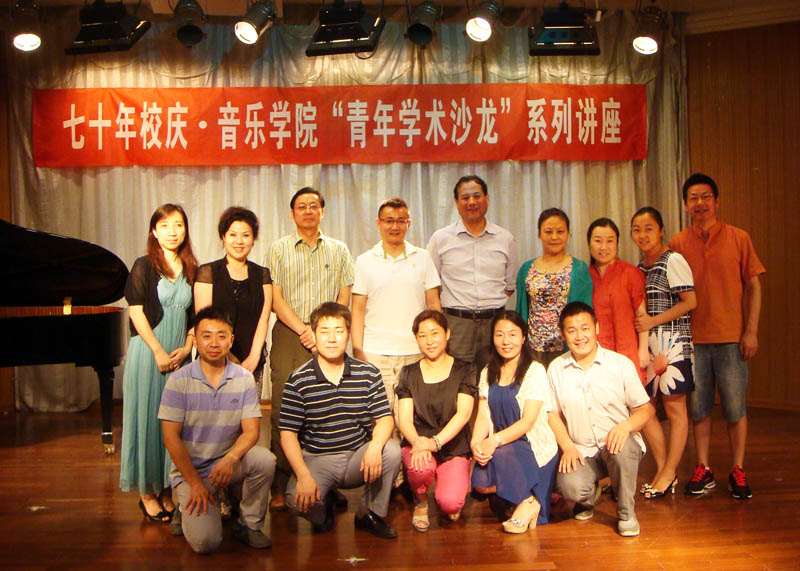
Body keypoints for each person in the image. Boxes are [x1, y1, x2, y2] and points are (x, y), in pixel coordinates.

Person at [669, 173, 765, 499]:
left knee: (735, 408)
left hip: (731, 339)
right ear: (686, 205)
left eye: (706, 197)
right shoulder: (677, 244)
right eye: (693, 198)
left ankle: (738, 469)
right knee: (699, 409)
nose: (700, 203)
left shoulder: (739, 238)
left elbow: (754, 286)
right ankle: (704, 467)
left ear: (717, 202)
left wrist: (751, 330)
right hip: (692, 341)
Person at [279, 302, 401, 539]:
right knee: (296, 500)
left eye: (339, 331)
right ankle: (323, 510)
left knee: (391, 451)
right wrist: (304, 476)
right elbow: (288, 434)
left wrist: (375, 447)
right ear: (314, 334)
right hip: (318, 459)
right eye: (324, 332)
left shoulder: (368, 373)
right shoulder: (298, 380)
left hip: (358, 457)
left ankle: (368, 514)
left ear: (348, 334)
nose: (332, 339)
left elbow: (385, 419)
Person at [159, 307, 276, 554]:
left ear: (231, 340)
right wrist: (194, 483)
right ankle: (184, 506)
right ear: (195, 339)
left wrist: (230, 458)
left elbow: (251, 431)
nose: (214, 343)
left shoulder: (243, 378)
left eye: (221, 336)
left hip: (227, 464)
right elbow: (171, 438)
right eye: (207, 336)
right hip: (192, 472)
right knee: (206, 543)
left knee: (265, 460)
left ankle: (248, 524)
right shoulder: (178, 381)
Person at [267, 187, 354, 510]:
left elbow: (344, 295)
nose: (308, 211)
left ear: (322, 211)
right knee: (283, 406)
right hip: (291, 332)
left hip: (329, 333)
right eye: (301, 206)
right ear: (292, 213)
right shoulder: (279, 249)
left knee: (328, 406)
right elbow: (275, 298)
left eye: (313, 205)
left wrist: (324, 331)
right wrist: (305, 330)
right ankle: (280, 483)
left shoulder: (339, 249)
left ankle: (327, 481)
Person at [547, 302, 654, 537]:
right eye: (572, 330)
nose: (579, 336)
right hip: (582, 450)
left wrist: (625, 427)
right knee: (569, 487)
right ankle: (587, 497)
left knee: (622, 449)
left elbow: (645, 410)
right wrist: (568, 447)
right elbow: (551, 414)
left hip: (618, 446)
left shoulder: (620, 364)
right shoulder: (556, 368)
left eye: (585, 328)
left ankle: (626, 514)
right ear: (563, 334)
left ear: (596, 328)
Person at [119, 204, 197, 523]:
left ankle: (166, 488)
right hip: (149, 352)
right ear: (154, 231)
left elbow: (194, 317)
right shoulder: (144, 265)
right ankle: (146, 493)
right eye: (164, 226)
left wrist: (187, 348)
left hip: (180, 355)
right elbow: (136, 312)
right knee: (146, 419)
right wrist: (158, 351)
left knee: (175, 424)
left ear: (185, 230)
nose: (172, 232)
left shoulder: (192, 268)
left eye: (178, 225)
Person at [352, 198, 441, 445]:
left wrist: (437, 344)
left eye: (401, 221)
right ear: (378, 223)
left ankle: (411, 467)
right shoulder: (364, 260)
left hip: (415, 352)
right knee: (379, 420)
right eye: (389, 221)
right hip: (374, 353)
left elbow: (434, 305)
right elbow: (357, 309)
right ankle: (384, 468)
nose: (395, 226)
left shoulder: (422, 258)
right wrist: (358, 350)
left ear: (408, 224)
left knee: (412, 418)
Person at [471, 310, 559, 534]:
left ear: (523, 337)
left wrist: (494, 441)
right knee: (479, 484)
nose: (505, 341)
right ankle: (522, 497)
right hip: (501, 443)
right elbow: (483, 415)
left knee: (501, 455)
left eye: (512, 334)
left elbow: (528, 422)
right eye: (499, 334)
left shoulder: (535, 371)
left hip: (529, 445)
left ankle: (528, 501)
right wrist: (476, 443)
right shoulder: (487, 371)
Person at [631, 207, 696, 499]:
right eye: (637, 230)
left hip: (674, 343)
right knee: (645, 408)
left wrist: (653, 322)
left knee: (675, 408)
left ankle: (670, 472)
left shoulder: (673, 260)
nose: (642, 235)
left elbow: (690, 302)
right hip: (649, 346)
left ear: (661, 230)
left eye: (648, 228)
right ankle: (662, 468)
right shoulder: (639, 267)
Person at [427, 175, 517, 376]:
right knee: (456, 378)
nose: (472, 202)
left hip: (494, 322)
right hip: (456, 323)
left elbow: (510, 285)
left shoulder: (505, 239)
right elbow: (431, 284)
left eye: (477, 196)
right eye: (465, 197)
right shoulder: (440, 239)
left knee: (494, 377)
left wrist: (489, 304)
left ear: (487, 198)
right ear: (456, 202)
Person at [395, 310, 476, 532]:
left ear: (447, 334)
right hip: (419, 443)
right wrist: (418, 443)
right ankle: (420, 502)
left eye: (434, 333)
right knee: (420, 468)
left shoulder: (465, 369)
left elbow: (464, 414)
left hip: (453, 445)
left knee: (451, 503)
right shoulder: (409, 373)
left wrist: (435, 443)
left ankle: (448, 488)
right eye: (422, 336)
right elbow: (404, 419)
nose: (429, 341)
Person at [194, 207, 272, 401]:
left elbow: (263, 319)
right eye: (233, 235)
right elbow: (203, 322)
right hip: (214, 357)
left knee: (248, 414)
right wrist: (228, 357)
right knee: (212, 414)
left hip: (251, 361)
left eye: (245, 235)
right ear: (223, 237)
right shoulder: (207, 272)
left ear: (253, 239)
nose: (239, 241)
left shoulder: (262, 274)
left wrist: (254, 357)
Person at [516, 208, 592, 369]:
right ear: (539, 234)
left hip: (568, 347)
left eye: (560, 231)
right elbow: (521, 310)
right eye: (548, 232)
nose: (554, 237)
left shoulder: (579, 269)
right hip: (533, 348)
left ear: (568, 234)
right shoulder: (526, 269)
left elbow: (586, 312)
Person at [587, 218, 648, 384]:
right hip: (598, 353)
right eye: (598, 241)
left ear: (617, 244)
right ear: (589, 244)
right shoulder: (585, 276)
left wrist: (643, 349)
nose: (603, 247)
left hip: (629, 350)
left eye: (609, 241)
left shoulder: (630, 273)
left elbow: (642, 315)